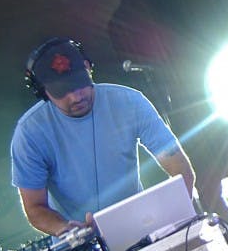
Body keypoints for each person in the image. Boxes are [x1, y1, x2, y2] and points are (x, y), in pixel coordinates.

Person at [11, 37, 197, 237]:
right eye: (62, 91)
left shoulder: (130, 102)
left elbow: (180, 169)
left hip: (142, 230)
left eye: (79, 83)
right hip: (82, 245)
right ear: (42, 92)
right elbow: (35, 207)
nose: (76, 97)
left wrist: (169, 221)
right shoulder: (29, 134)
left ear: (88, 69)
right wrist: (67, 229)